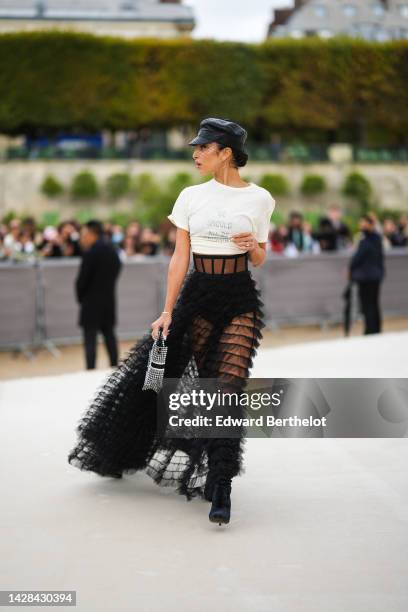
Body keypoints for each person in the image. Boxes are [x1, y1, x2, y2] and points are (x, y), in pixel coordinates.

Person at [67, 117, 275, 527]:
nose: (195, 154)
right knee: (210, 387)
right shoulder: (190, 197)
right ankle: (204, 466)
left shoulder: (260, 199)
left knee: (228, 389)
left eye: (203, 148)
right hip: (198, 298)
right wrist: (167, 310)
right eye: (195, 148)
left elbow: (261, 255)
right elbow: (180, 258)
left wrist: (254, 249)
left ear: (226, 153)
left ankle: (221, 485)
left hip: (240, 298)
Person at [75, 220, 122, 369]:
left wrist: (81, 296)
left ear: (91, 234)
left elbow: (82, 279)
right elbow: (118, 268)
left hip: (90, 301)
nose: (82, 238)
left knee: (90, 339)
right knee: (109, 335)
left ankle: (90, 369)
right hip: (108, 299)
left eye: (84, 234)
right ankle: (115, 367)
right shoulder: (112, 250)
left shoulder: (90, 253)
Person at [349, 214, 385, 335]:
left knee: (368, 304)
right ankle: (376, 328)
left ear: (370, 224)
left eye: (363, 223)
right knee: (374, 303)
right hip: (376, 276)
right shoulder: (377, 238)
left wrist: (350, 269)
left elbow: (357, 258)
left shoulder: (365, 241)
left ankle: (370, 330)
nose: (361, 225)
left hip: (366, 277)